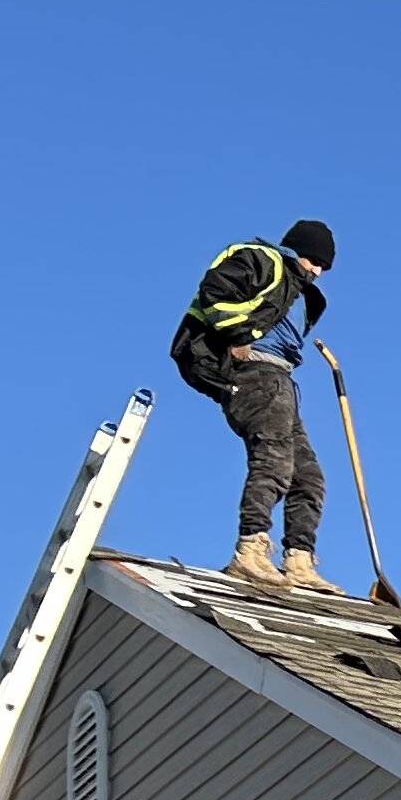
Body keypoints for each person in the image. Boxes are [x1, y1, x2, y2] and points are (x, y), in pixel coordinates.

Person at [170, 222, 340, 591]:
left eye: (324, 267)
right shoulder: (263, 260)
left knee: (308, 477)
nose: (318, 271)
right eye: (315, 261)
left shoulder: (299, 289)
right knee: (273, 459)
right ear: (299, 251)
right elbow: (215, 292)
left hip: (281, 380)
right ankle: (251, 549)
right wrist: (239, 335)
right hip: (256, 375)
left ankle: (299, 560)